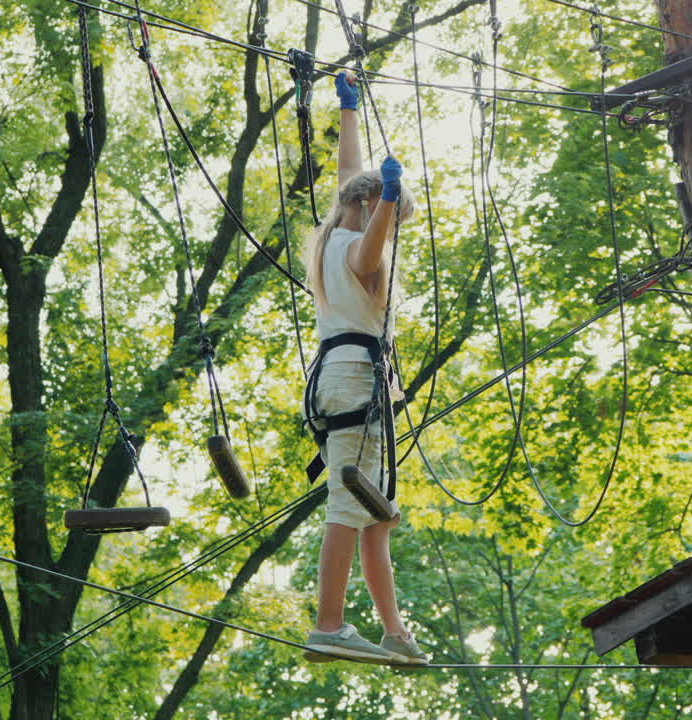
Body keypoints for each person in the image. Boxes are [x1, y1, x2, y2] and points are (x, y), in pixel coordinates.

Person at [299, 70, 426, 665]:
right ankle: (328, 623)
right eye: (388, 216)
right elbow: (372, 243)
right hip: (353, 380)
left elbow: (351, 180)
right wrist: (391, 201)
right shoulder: (354, 248)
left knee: (377, 515)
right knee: (350, 508)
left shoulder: (330, 236)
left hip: (344, 380)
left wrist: (347, 111)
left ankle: (394, 632)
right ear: (368, 209)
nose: (393, 230)